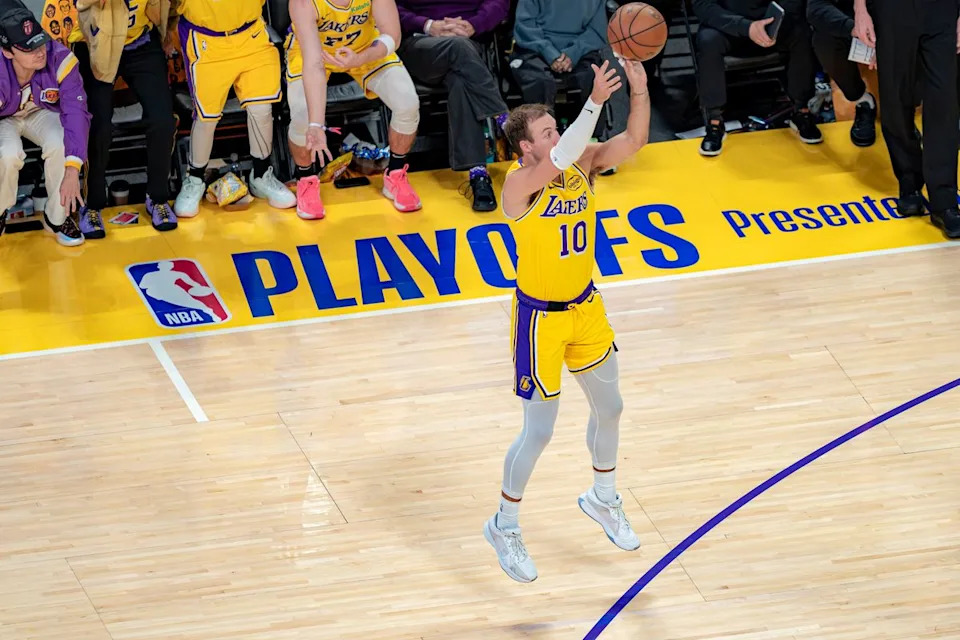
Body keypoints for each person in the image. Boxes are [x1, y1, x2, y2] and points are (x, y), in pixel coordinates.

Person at [483, 56, 650, 583]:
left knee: (612, 407)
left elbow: (635, 141)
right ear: (525, 147)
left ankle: (603, 497)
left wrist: (639, 90)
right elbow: (560, 155)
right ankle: (503, 524)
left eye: (558, 127)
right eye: (548, 132)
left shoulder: (583, 165)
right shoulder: (518, 186)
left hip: (586, 307)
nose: (558, 137)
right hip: (540, 322)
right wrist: (594, 101)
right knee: (539, 432)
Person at [287, 0, 422, 219]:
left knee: (407, 103)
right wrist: (316, 124)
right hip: (314, 54)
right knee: (303, 117)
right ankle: (306, 178)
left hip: (365, 49)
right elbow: (313, 63)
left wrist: (360, 58)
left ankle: (395, 173)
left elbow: (392, 36)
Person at [172, 0, 297, 218]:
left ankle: (261, 175)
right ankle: (195, 179)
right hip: (206, 39)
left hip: (251, 34)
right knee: (207, 118)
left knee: (261, 109)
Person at [853, 0, 959, 237]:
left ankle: (945, 201)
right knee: (895, 99)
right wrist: (860, 9)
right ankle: (909, 180)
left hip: (942, 9)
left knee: (943, 102)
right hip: (891, 9)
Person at [72, 0, 179, 237]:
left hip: (141, 42)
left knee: (163, 120)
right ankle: (92, 204)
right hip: (96, 44)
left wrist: (167, 30)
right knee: (98, 126)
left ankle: (158, 198)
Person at [395, 0, 509, 212]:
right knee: (459, 49)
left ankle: (478, 174)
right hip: (421, 44)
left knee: (460, 79)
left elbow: (499, 2)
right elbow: (390, 8)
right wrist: (427, 24)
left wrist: (475, 24)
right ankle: (504, 120)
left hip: (469, 41)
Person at [0, 3, 89, 246]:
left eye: (40, 42)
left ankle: (57, 218)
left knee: (62, 144)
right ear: (7, 52)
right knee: (7, 153)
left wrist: (73, 169)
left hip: (40, 111)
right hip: (4, 118)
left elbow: (76, 113)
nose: (39, 52)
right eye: (28, 48)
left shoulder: (61, 59)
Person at [692, 0, 821, 156]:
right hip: (728, 27)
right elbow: (702, 6)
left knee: (802, 32)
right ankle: (714, 122)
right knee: (708, 40)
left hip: (770, 26)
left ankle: (801, 110)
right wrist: (746, 27)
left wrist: (775, 22)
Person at [510, 0, 623, 145]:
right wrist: (550, 53)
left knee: (593, 77)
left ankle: (591, 140)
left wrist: (572, 54)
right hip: (534, 47)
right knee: (538, 81)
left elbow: (596, 30)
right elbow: (525, 26)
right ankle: (541, 142)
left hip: (580, 48)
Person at [806, 0, 876, 146]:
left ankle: (905, 111)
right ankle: (862, 99)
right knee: (824, 40)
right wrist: (853, 28)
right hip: (850, 23)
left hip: (892, 22)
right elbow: (815, 8)